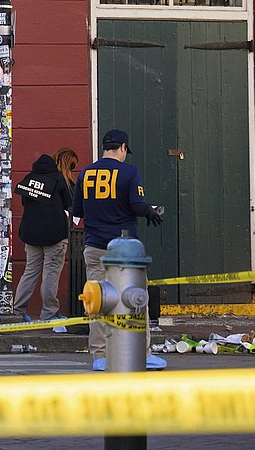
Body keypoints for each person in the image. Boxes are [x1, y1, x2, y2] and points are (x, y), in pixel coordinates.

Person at [72, 129, 165, 371]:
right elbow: (136, 204)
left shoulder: (86, 173)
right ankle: (140, 354)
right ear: (123, 148)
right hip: (125, 252)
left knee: (98, 300)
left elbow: (78, 211)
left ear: (105, 148)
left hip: (94, 246)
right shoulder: (130, 172)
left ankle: (101, 355)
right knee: (135, 299)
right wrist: (148, 212)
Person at [10, 153, 72, 326]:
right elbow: (70, 203)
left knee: (30, 272)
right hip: (55, 235)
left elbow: (24, 203)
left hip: (31, 234)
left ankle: (18, 311)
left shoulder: (29, 179)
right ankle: (49, 314)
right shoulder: (59, 180)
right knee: (51, 273)